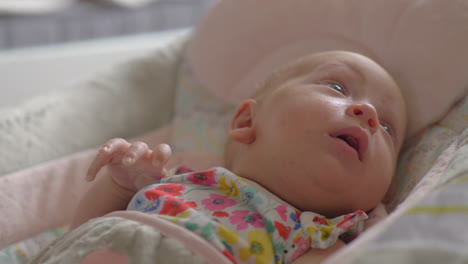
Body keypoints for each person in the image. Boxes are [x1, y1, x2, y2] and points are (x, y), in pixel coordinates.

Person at [71, 50, 407, 264]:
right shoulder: (178, 179)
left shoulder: (318, 239)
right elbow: (81, 236)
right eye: (336, 88)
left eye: (389, 130)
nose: (369, 115)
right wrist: (118, 186)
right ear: (247, 122)